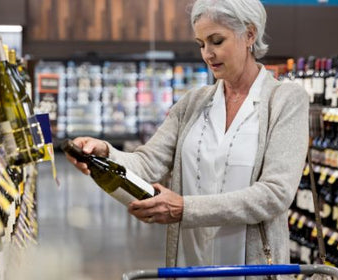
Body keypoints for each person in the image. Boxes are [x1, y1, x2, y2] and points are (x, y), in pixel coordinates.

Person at [66, 0, 308, 278]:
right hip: (190, 263)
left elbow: (275, 194)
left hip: (250, 267)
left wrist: (185, 208)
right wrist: (104, 153)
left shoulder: (285, 101)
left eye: (217, 41)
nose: (207, 54)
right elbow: (149, 162)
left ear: (250, 35)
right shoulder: (193, 103)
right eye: (201, 43)